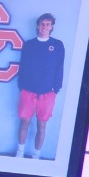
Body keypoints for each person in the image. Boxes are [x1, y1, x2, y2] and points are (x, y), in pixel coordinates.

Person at [16, 13, 65, 158]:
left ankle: (36, 155)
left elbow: (59, 67)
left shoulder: (57, 45)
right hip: (28, 91)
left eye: (47, 24)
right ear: (38, 26)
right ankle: (19, 153)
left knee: (41, 126)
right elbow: (23, 65)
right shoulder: (29, 44)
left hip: (47, 93)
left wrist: (56, 89)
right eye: (42, 24)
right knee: (24, 122)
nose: (44, 27)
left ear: (52, 27)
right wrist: (22, 85)